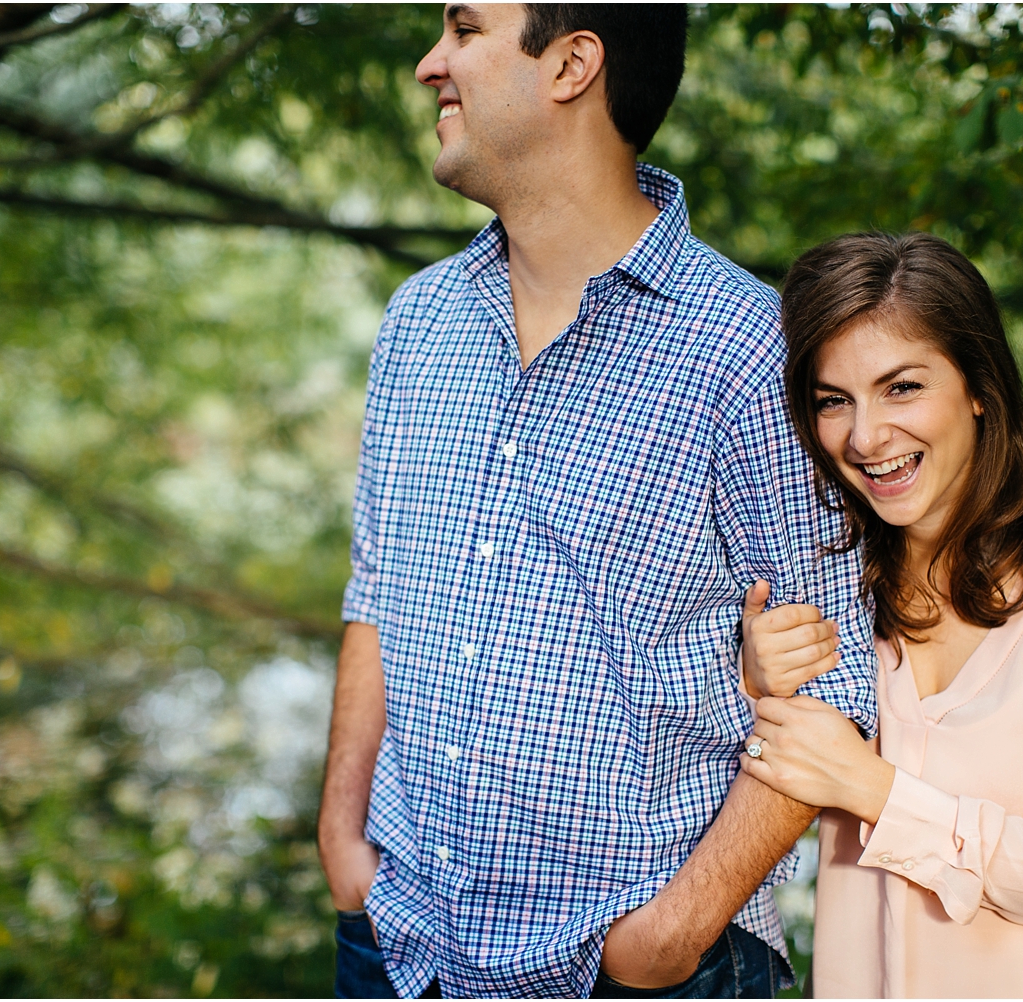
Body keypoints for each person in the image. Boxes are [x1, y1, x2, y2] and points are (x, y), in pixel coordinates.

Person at [316, 5, 878, 998]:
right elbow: (378, 588)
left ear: (573, 65)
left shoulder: (747, 353)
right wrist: (342, 836)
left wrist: (671, 933)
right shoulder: (418, 323)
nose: (428, 64)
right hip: (401, 943)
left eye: (464, 29)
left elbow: (836, 685)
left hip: (634, 967)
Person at [736, 231, 1023, 998]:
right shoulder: (816, 585)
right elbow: (749, 813)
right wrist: (752, 689)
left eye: (902, 387)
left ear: (979, 387)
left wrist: (873, 789)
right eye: (833, 401)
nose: (865, 436)